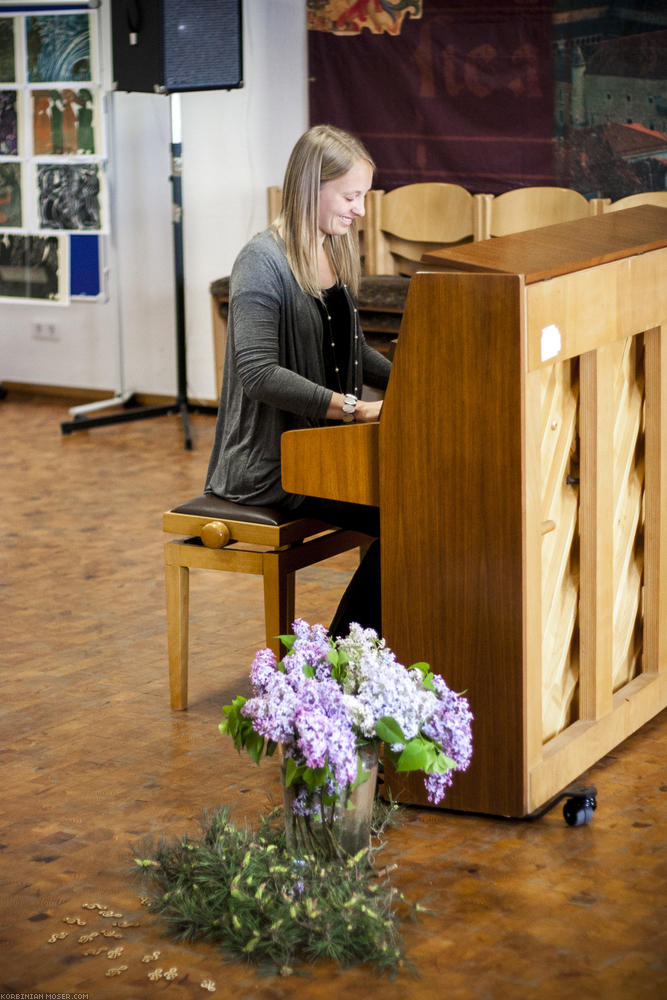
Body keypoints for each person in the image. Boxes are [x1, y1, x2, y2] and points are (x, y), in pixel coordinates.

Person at [205, 124, 392, 637]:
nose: (360, 210)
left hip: (322, 452)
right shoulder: (260, 263)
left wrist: (418, 381)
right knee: (406, 521)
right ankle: (340, 662)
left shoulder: (333, 250)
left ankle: (366, 653)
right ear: (313, 187)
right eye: (351, 196)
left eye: (363, 196)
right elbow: (259, 372)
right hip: (269, 465)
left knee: (421, 506)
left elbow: (353, 352)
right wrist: (353, 409)